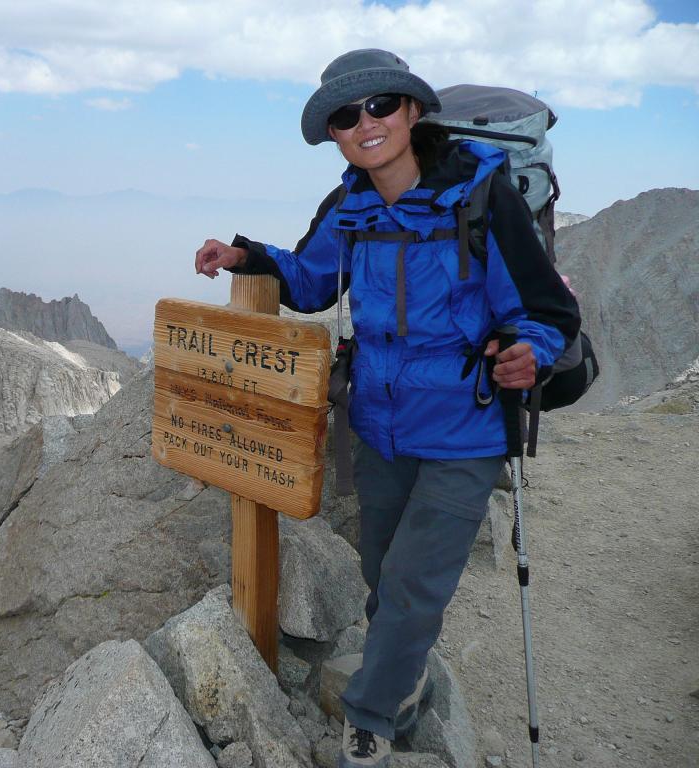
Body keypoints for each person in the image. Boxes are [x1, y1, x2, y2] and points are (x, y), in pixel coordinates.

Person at [194, 49, 580, 768]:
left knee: (411, 581)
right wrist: (246, 257)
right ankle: (402, 669)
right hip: (377, 423)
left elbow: (547, 308)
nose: (364, 124)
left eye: (379, 106)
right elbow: (309, 281)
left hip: (464, 428)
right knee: (382, 570)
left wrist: (526, 349)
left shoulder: (479, 194)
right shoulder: (350, 204)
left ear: (409, 110)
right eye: (346, 116)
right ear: (334, 134)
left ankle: (370, 718)